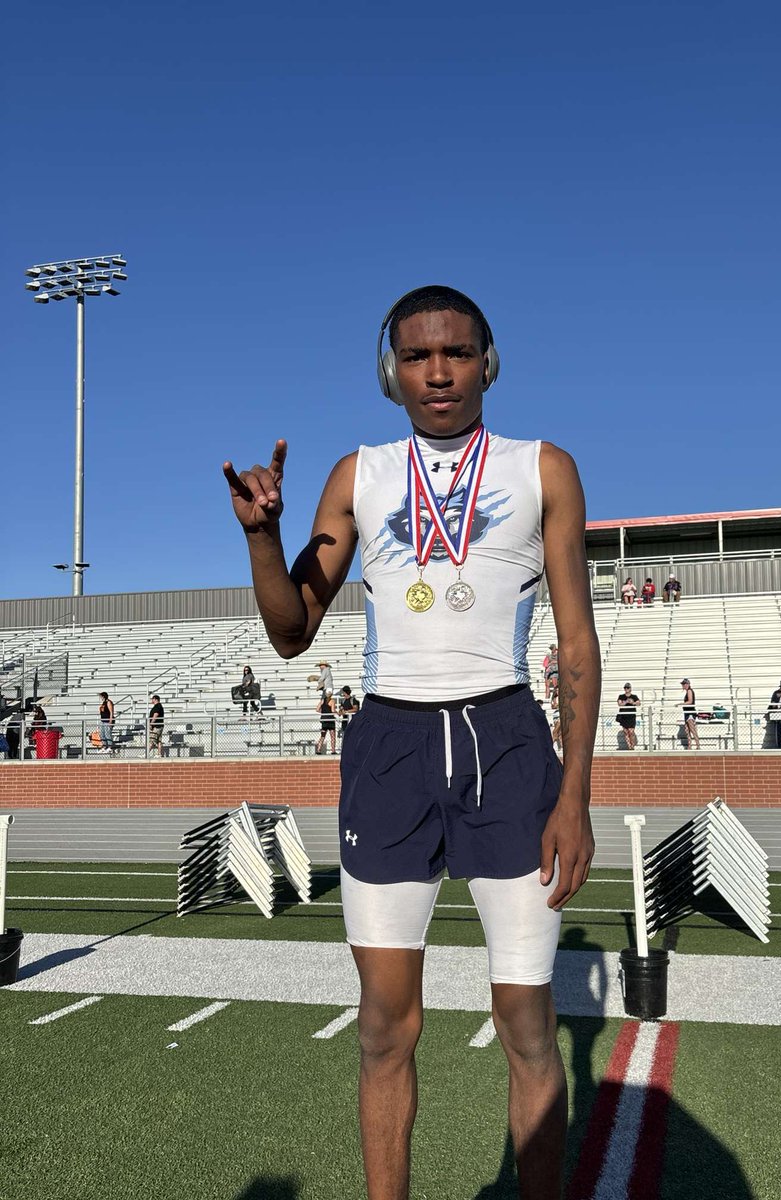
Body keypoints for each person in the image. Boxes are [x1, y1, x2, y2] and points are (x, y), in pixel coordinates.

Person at [223, 284, 599, 1200]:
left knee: (527, 1024)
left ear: (488, 362)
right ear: (391, 370)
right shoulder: (360, 474)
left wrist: (576, 795)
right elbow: (290, 631)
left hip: (508, 744)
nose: (439, 372)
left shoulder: (543, 468)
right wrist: (264, 541)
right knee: (386, 1027)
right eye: (419, 356)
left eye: (458, 353)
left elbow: (578, 638)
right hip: (390, 747)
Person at [616, 682, 640, 750]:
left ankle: (632, 745)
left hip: (631, 715)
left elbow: (638, 703)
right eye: (625, 688)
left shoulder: (634, 696)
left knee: (631, 731)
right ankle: (629, 747)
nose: (626, 689)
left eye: (628, 687)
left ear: (630, 689)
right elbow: (619, 704)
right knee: (626, 732)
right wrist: (626, 702)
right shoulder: (621, 696)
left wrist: (632, 702)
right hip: (623, 716)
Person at [315, 690, 337, 755]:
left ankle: (318, 749)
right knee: (332, 736)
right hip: (330, 720)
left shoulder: (322, 701)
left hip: (324, 720)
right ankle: (333, 750)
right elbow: (332, 710)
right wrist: (337, 712)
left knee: (322, 735)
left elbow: (317, 709)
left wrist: (323, 712)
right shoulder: (332, 701)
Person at [680, 678, 699, 750]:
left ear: (687, 684)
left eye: (684, 684)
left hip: (690, 712)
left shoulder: (689, 691)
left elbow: (690, 701)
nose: (683, 685)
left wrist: (681, 704)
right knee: (687, 730)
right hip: (687, 712)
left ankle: (698, 745)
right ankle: (690, 745)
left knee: (692, 729)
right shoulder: (687, 691)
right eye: (682, 684)